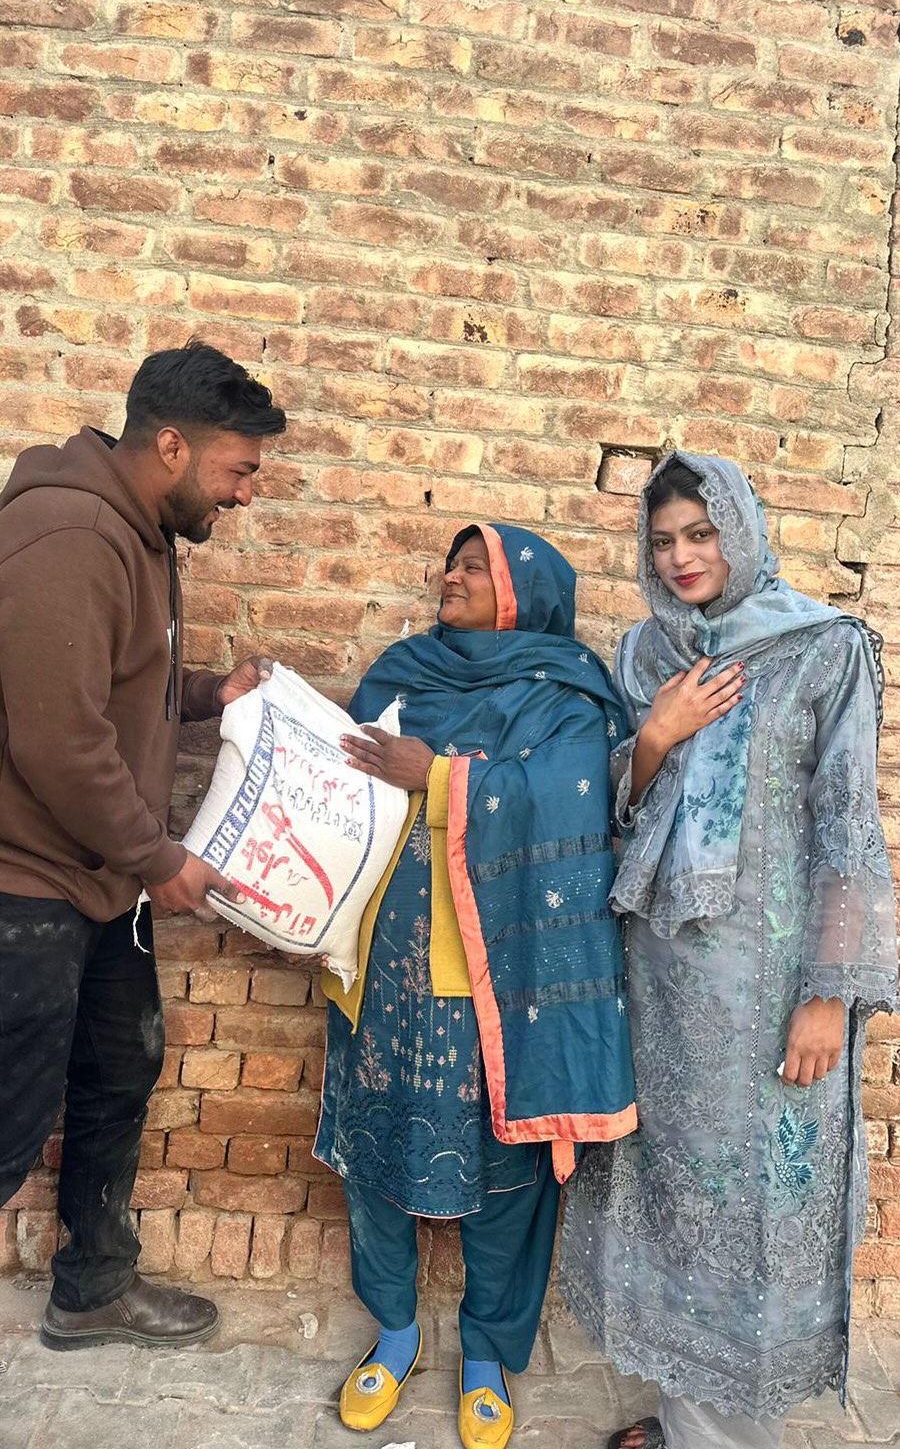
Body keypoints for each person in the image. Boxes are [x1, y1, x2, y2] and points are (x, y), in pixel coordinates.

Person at [559, 453, 898, 1449]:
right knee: (680, 1204)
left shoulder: (825, 648)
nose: (681, 556)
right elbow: (614, 809)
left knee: (758, 1209)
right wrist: (655, 736)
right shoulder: (643, 656)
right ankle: (688, 1421)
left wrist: (830, 993)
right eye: (663, 539)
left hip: (773, 992)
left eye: (700, 533)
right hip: (664, 988)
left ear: (740, 532)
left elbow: (848, 826)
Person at [313, 522, 635, 1449]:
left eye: (473, 567)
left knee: (505, 1166)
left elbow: (571, 794)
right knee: (378, 1155)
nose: (448, 578)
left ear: (522, 593)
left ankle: (488, 1352)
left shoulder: (566, 695)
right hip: (382, 969)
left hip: (499, 984)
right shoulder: (402, 671)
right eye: (449, 564)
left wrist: (443, 778)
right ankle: (396, 1334)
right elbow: (338, 790)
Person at [0, 341, 286, 1349]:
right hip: (27, 886)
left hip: (98, 883)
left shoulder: (140, 532)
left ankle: (93, 1289)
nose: (244, 495)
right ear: (171, 445)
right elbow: (53, 735)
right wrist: (160, 858)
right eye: (237, 470)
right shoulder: (70, 529)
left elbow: (107, 689)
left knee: (119, 1073)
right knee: (8, 1113)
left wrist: (209, 697)